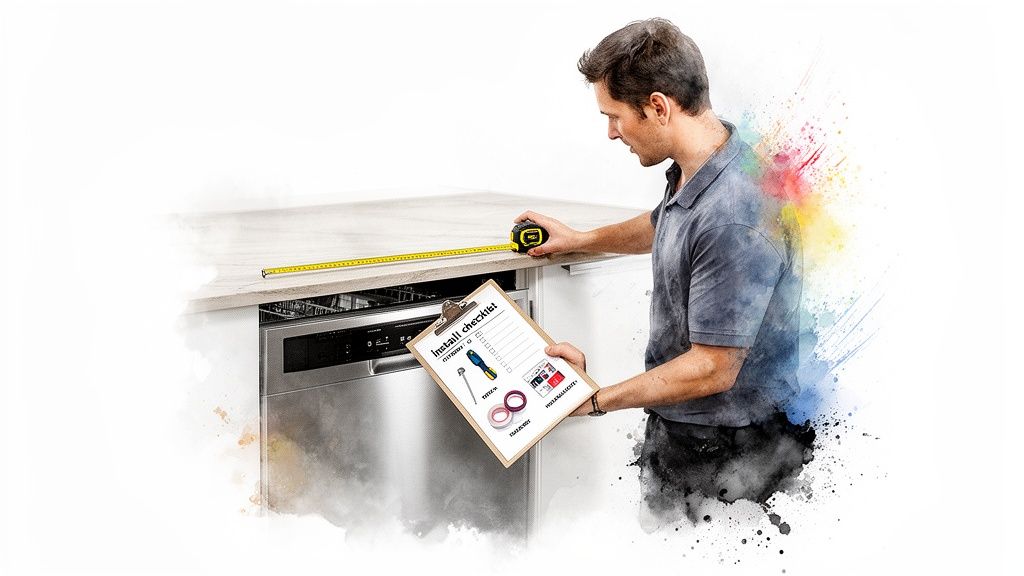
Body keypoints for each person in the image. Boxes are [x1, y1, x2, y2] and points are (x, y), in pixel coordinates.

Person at [516, 18, 815, 522]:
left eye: (615, 116)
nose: (611, 133)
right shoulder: (704, 164)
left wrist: (594, 402)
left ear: (658, 106)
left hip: (729, 456)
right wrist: (583, 240)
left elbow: (713, 366)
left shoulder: (736, 214)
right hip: (688, 435)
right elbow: (668, 222)